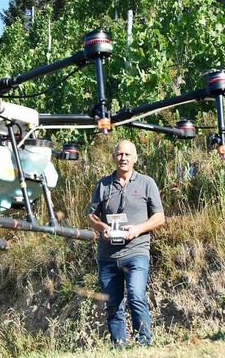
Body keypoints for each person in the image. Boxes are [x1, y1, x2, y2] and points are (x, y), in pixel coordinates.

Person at [87, 139, 165, 347]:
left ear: (135, 158)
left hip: (136, 252)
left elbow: (159, 217)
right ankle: (119, 345)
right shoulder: (103, 184)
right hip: (108, 257)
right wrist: (102, 228)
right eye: (119, 154)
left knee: (136, 296)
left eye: (127, 155)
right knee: (113, 303)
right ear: (113, 158)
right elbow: (91, 216)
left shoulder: (147, 183)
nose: (123, 158)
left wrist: (137, 229)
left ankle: (144, 342)